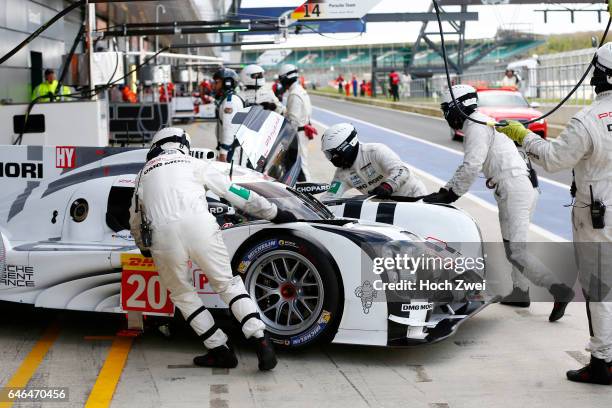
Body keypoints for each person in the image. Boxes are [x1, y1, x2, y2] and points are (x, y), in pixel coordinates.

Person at [129, 127, 298, 370]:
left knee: (182, 294)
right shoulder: (193, 163)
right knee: (227, 284)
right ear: (182, 145)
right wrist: (274, 212)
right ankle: (261, 340)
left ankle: (220, 350)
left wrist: (143, 245)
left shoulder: (143, 174)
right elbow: (236, 193)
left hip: (163, 237)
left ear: (156, 147)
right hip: (201, 227)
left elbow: (135, 218)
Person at [496, 43, 612, 385]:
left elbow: (554, 159)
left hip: (598, 218)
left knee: (600, 289)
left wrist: (523, 136)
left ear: (601, 75)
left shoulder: (590, 120)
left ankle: (603, 362)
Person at [423, 84, 574, 320]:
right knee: (512, 247)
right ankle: (520, 292)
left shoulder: (475, 125)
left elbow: (472, 164)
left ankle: (559, 289)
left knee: (516, 251)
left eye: (446, 109)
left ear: (457, 107)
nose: (445, 114)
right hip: (517, 187)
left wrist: (449, 192)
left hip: (514, 188)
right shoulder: (479, 121)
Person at [320, 123, 427, 201]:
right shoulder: (341, 174)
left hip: (413, 196)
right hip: (389, 207)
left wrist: (387, 186)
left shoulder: (375, 151)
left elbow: (402, 171)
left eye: (331, 154)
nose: (330, 159)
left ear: (345, 147)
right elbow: (331, 196)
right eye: (327, 155)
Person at [278, 63, 317, 181]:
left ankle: (307, 191)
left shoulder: (294, 94)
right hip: (302, 131)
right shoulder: (300, 90)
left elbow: (293, 121)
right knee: (301, 163)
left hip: (297, 134)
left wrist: (285, 140)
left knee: (300, 165)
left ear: (285, 78)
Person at [213, 68, 244, 163]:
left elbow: (229, 129)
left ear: (227, 83)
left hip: (230, 151)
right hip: (231, 149)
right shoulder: (230, 99)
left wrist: (223, 152)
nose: (214, 86)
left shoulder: (230, 102)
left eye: (217, 82)